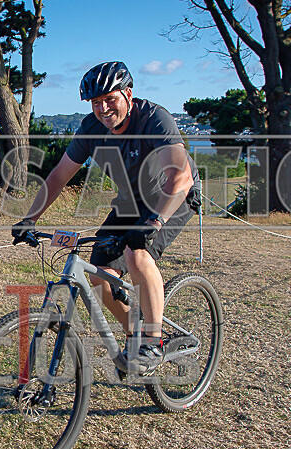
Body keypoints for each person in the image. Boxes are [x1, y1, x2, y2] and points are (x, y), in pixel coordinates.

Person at [12, 61, 201, 373]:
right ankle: (134, 331)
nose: (103, 108)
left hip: (174, 196)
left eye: (110, 99)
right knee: (97, 274)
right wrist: (30, 218)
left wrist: (154, 222)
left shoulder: (155, 119)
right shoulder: (91, 129)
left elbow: (179, 178)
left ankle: (152, 342)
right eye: (96, 102)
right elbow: (59, 176)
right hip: (131, 201)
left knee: (137, 255)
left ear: (128, 94)